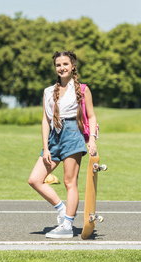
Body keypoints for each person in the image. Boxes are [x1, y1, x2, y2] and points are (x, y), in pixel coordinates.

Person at [28, 51, 97, 239]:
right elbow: (45, 120)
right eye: (58, 65)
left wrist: (91, 139)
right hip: (53, 137)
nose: (62, 68)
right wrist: (46, 146)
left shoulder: (82, 89)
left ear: (73, 65)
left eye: (65, 64)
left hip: (72, 134)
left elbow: (91, 116)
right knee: (35, 179)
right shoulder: (48, 91)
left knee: (69, 182)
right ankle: (62, 209)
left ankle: (67, 225)